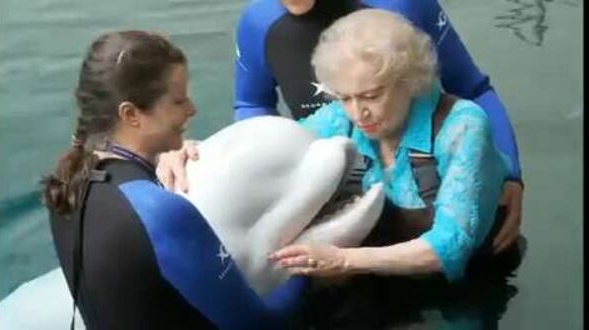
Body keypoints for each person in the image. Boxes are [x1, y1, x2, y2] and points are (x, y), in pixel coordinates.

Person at [157, 0, 523, 255]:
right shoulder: (259, 22)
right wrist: (197, 157)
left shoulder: (401, 4)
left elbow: (472, 88)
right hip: (340, 185)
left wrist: (510, 176)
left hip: (430, 181)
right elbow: (253, 108)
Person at [41, 30, 305, 330]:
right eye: (178, 101)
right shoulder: (159, 211)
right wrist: (309, 277)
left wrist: (160, 154)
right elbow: (259, 325)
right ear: (131, 114)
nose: (192, 109)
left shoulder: (68, 185)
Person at [269, 8, 522, 284]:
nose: (357, 112)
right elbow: (277, 146)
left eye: (372, 96)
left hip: (472, 283)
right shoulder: (341, 119)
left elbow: (451, 244)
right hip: (379, 272)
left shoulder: (463, 126)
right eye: (344, 97)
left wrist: (343, 260)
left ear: (409, 81)